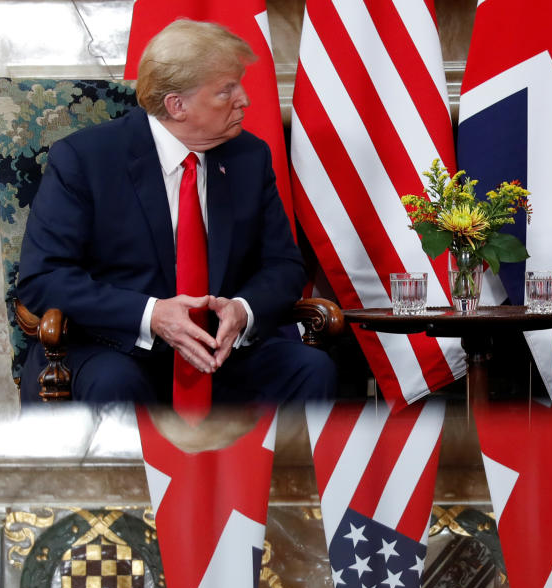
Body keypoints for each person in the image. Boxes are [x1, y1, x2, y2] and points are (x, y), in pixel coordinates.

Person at [18, 19, 336, 410]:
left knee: (310, 369)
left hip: (221, 352)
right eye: (226, 90)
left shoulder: (249, 157)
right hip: (116, 346)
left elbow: (284, 265)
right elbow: (43, 277)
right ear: (177, 105)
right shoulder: (85, 159)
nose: (245, 100)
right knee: (116, 383)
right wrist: (152, 315)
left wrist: (243, 309)